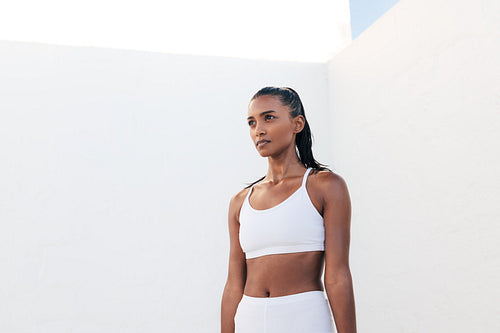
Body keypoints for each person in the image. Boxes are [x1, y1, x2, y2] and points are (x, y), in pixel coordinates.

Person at [221, 87, 356, 333]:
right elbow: (233, 285)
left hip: (304, 317)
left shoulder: (325, 187)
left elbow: (337, 277)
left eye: (268, 117)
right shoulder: (240, 202)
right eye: (252, 122)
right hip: (250, 319)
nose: (258, 129)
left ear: (297, 124)